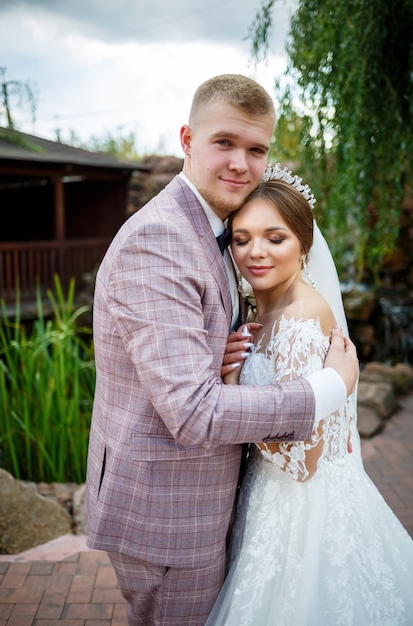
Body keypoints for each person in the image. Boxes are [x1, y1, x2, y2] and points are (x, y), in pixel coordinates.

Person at [84, 74, 359, 626]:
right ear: (187, 139)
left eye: (256, 149)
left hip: (203, 503)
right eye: (224, 143)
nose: (241, 163)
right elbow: (193, 412)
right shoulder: (160, 240)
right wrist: (328, 387)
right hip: (168, 515)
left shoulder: (212, 226)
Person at [205, 164, 413, 626]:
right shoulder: (262, 306)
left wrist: (233, 390)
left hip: (302, 511)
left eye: (274, 238)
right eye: (241, 239)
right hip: (266, 497)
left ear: (303, 243)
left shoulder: (303, 317)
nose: (255, 252)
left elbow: (304, 460)